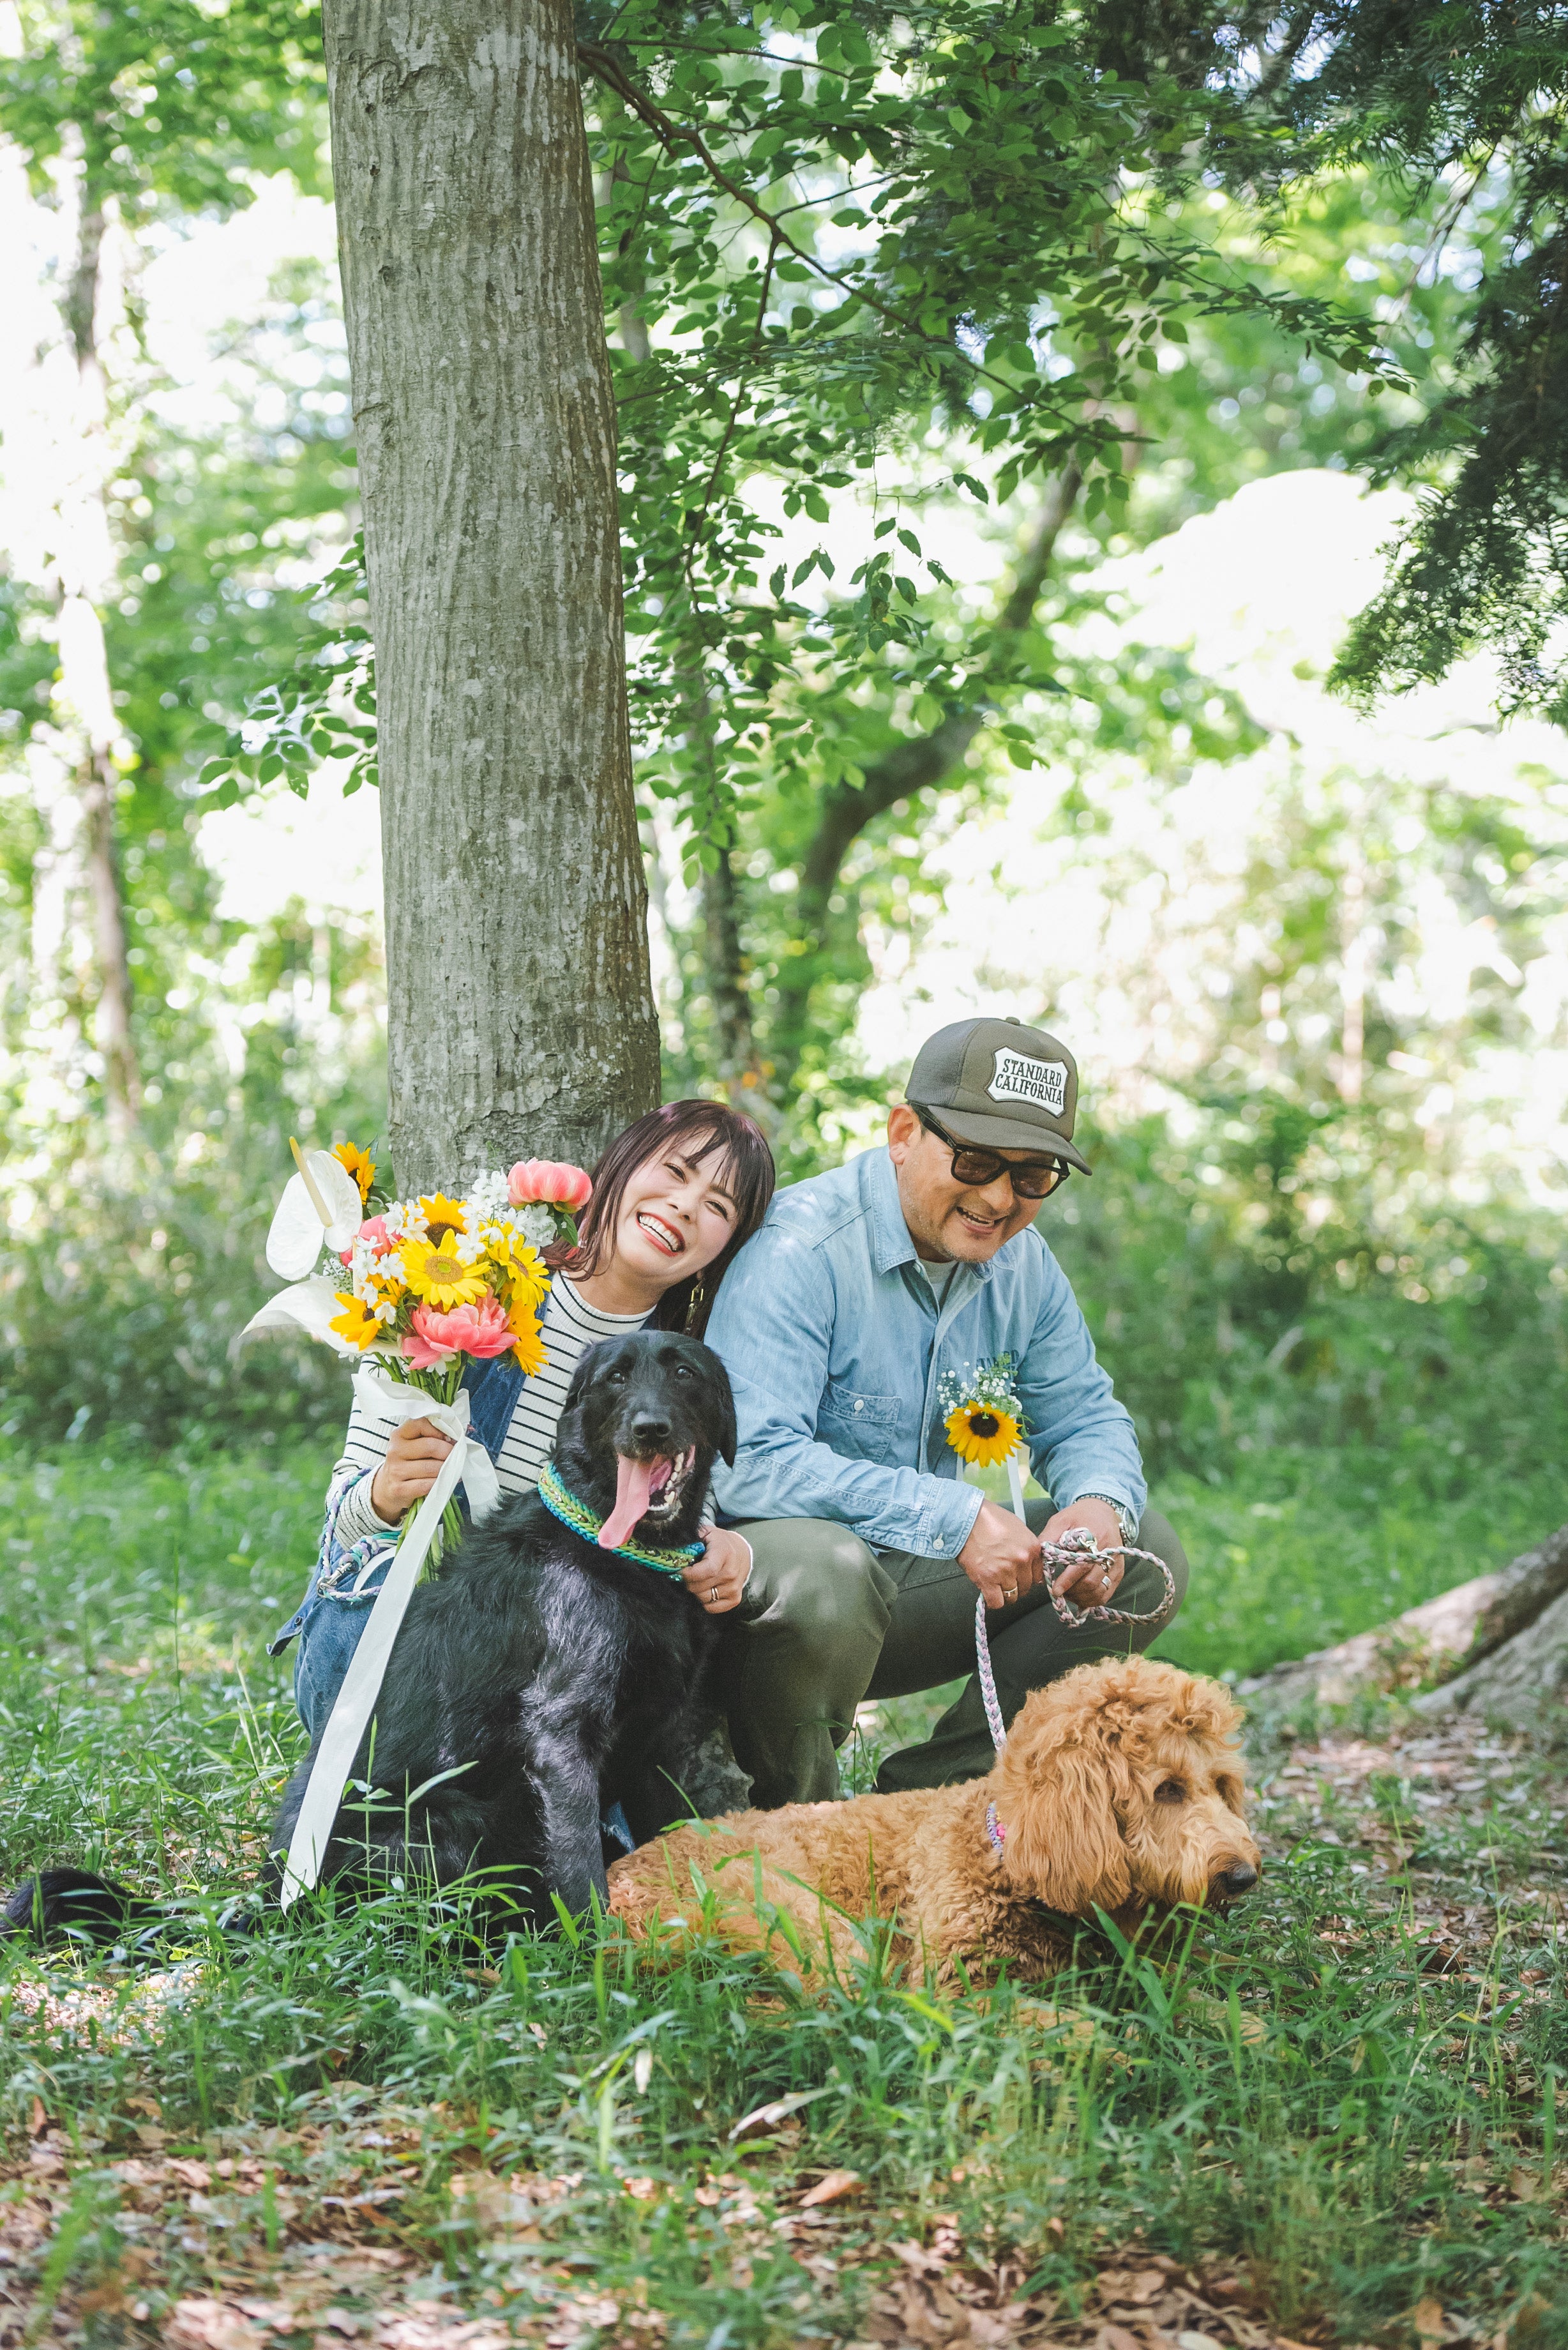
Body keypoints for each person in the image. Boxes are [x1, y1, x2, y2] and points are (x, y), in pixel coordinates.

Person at [703, 1015, 1187, 1807]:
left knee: (1140, 1548)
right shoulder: (802, 1249)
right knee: (832, 1571)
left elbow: (1083, 1414)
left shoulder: (1023, 1265)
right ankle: (797, 1835)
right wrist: (956, 1515)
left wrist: (1097, 1505)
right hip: (767, 1604)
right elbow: (748, 1459)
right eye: (975, 1160)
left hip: (900, 1588)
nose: (999, 1197)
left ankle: (933, 1807)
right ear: (902, 1133)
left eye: (1033, 1177)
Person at [272, 1100, 775, 1740]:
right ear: (619, 1167)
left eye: (718, 1207)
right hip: (394, 1649)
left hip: (559, 1682)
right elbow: (339, 1531)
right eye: (674, 1171)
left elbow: (688, 1526)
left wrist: (728, 1546)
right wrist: (381, 1492)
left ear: (718, 1254)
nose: (684, 1204)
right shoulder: (466, 1287)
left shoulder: (692, 1377)